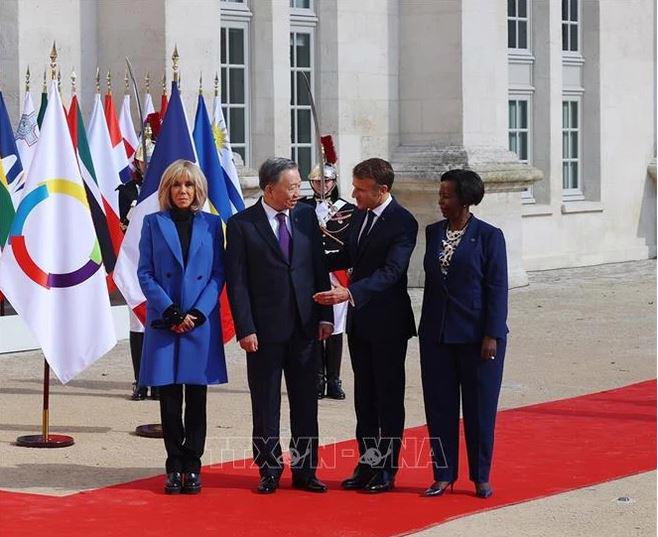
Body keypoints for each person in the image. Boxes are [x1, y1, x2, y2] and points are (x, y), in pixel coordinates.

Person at [225, 157, 333, 494]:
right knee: (266, 403)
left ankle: (305, 471)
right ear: (270, 189)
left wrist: (326, 315)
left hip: (305, 327)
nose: (297, 192)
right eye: (291, 187)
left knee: (305, 403)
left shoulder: (304, 217)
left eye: (299, 185)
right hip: (263, 331)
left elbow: (318, 265)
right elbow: (237, 282)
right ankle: (269, 469)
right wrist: (245, 328)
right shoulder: (242, 224)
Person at [314, 157, 418, 494]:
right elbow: (348, 256)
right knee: (365, 398)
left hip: (388, 323)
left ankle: (387, 469)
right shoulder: (359, 214)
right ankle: (367, 463)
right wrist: (304, 262)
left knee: (387, 397)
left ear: (382, 190)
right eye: (355, 188)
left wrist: (350, 292)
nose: (354, 195)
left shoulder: (403, 223)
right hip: (361, 322)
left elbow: (392, 272)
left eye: (361, 190)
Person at [137, 159, 227, 495]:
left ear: (198, 189)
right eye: (177, 185)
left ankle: (193, 463)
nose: (183, 191)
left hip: (198, 324)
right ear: (167, 190)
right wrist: (172, 311)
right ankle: (174, 464)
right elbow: (144, 272)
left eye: (189, 185)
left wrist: (198, 313)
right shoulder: (152, 223)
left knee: (197, 398)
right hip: (166, 321)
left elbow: (219, 273)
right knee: (169, 399)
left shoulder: (212, 225)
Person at [418, 169, 508, 499]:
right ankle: (443, 474)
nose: (441, 201)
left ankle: (480, 476)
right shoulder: (433, 232)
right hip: (437, 337)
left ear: (466, 199)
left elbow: (497, 289)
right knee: (439, 408)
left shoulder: (489, 236)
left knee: (479, 410)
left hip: (477, 338)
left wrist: (492, 335)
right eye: (440, 195)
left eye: (447, 196)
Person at [300, 136, 355, 400]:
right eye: (318, 181)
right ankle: (316, 377)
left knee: (335, 326)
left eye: (328, 181)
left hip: (337, 271)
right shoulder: (302, 207)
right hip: (311, 270)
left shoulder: (348, 209)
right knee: (313, 323)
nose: (323, 185)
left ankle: (333, 378)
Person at [117, 134, 152, 401]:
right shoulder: (128, 190)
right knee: (138, 323)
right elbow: (125, 224)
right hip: (136, 260)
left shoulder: (169, 189)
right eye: (144, 162)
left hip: (161, 262)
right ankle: (140, 379)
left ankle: (160, 381)